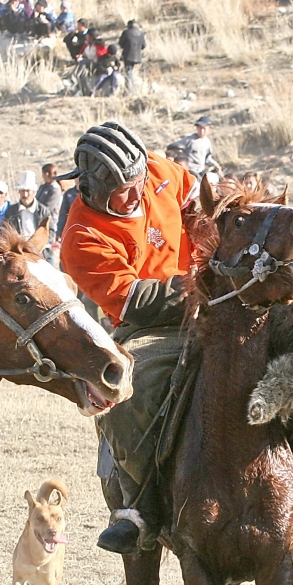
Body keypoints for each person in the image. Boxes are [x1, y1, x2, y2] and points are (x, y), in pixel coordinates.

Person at [59, 122, 200, 555]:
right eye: (125, 190)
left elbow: (197, 203)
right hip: (148, 326)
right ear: (95, 190)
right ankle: (138, 507)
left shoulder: (156, 168)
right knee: (124, 397)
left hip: (218, 296)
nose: (139, 193)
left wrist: (224, 247)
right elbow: (133, 299)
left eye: (140, 181)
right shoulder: (81, 237)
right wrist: (199, 286)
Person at [6, 171, 50, 238]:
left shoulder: (43, 211)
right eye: (22, 191)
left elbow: (50, 231)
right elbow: (6, 231)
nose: (25, 194)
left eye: (28, 191)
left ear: (34, 192)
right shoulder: (11, 211)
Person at [174, 115, 218, 179]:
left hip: (201, 170)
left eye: (204, 128)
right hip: (191, 170)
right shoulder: (189, 140)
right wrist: (180, 153)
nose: (202, 131)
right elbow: (174, 146)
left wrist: (215, 165)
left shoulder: (207, 142)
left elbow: (207, 159)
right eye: (200, 128)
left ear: (209, 129)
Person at [118, 19, 146, 95]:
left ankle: (130, 91)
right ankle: (129, 90)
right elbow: (143, 46)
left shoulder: (126, 32)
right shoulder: (141, 34)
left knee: (128, 72)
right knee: (129, 72)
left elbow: (120, 44)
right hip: (137, 56)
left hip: (127, 55)